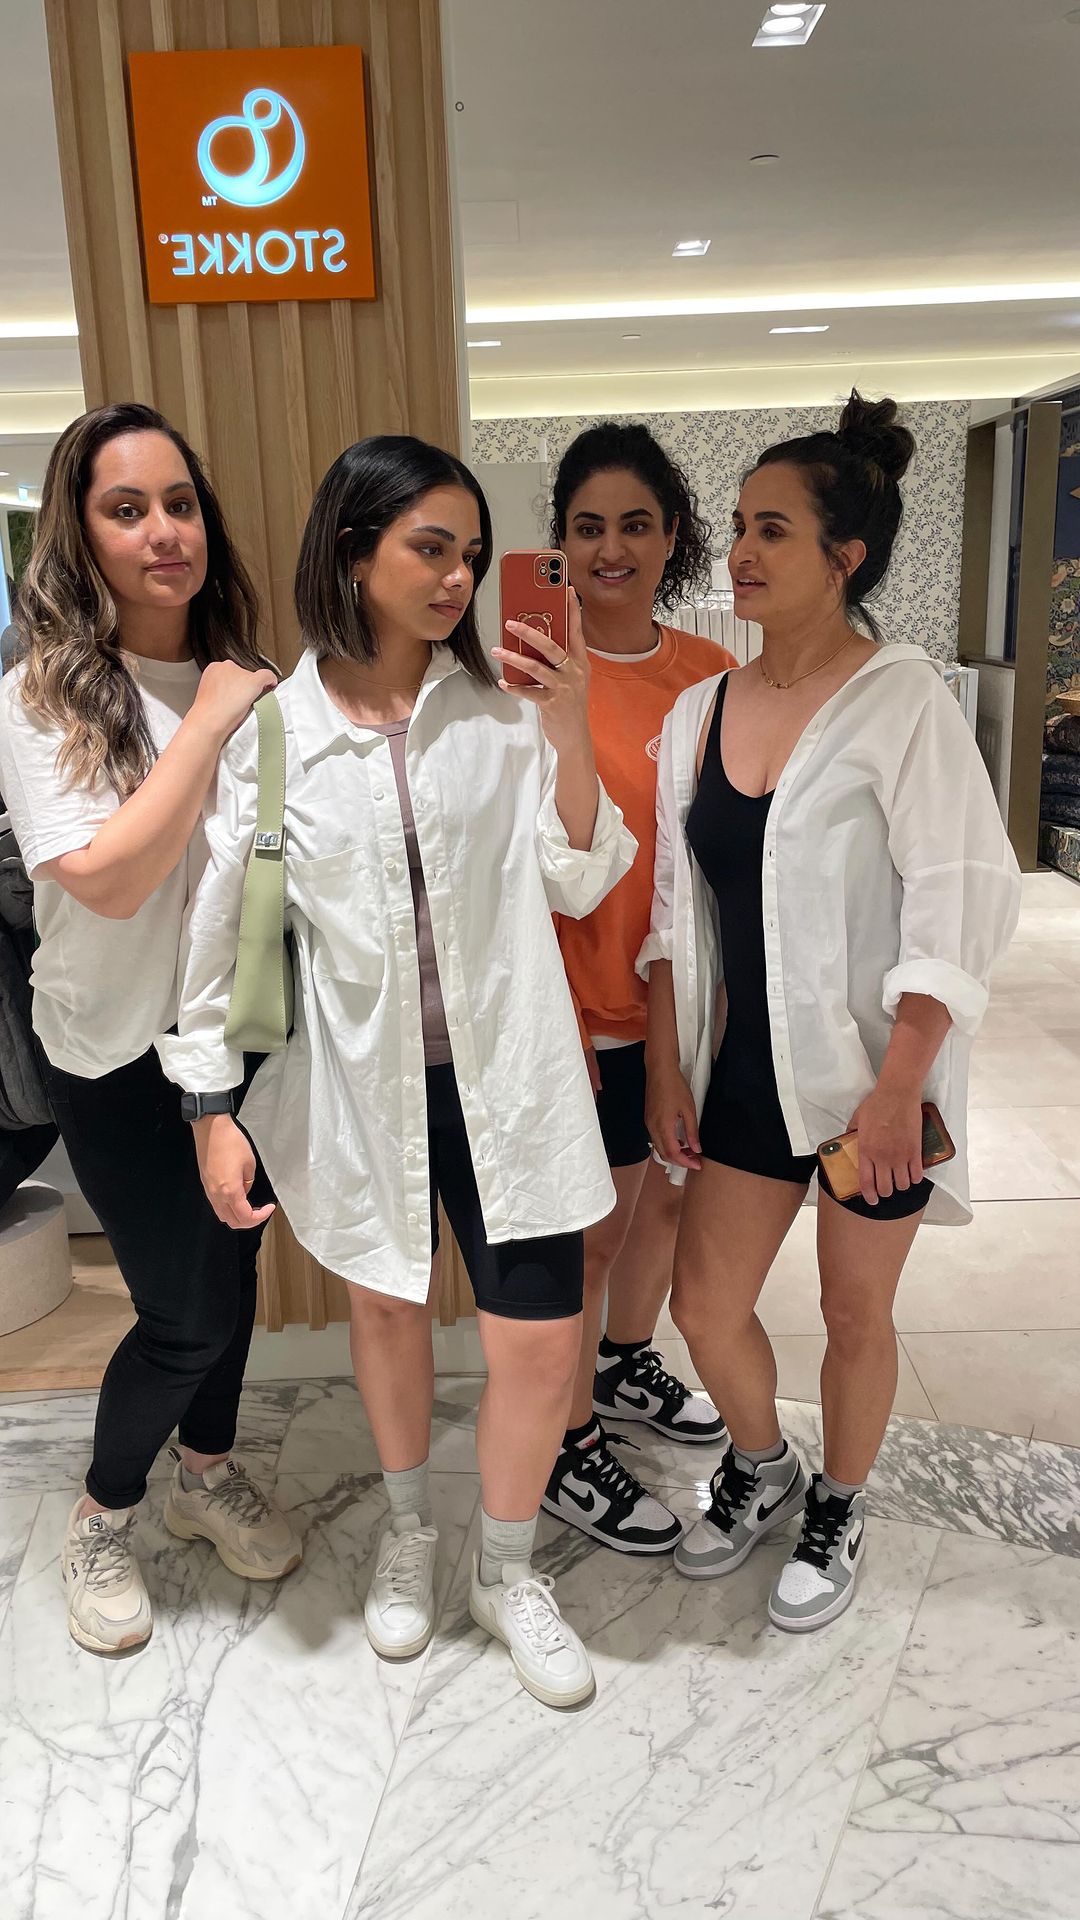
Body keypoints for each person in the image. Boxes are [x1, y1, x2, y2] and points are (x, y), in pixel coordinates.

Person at [159, 435, 636, 1708]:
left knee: (539, 1340)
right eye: (432, 548)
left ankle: (507, 1566)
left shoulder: (500, 712)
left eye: (470, 554)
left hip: (510, 1083)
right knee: (384, 1311)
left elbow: (580, 874)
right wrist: (211, 1110)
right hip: (357, 1088)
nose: (458, 577)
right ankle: (411, 1530)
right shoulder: (275, 733)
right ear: (353, 549)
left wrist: (571, 729)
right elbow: (220, 935)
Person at [642, 392, 1021, 1632]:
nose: (741, 552)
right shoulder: (699, 713)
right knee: (705, 1306)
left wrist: (903, 1084)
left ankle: (840, 1504)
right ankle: (764, 1467)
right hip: (748, 1064)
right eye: (741, 526)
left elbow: (961, 895)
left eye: (774, 530)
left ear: (843, 556)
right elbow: (673, 907)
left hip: (875, 1079)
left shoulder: (902, 701)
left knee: (856, 1311)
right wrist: (669, 1065)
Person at [0, 403, 302, 1657]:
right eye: (126, 510)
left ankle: (205, 1474)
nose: (163, 531)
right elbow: (113, 881)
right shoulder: (42, 695)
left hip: (238, 1036)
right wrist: (213, 720)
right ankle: (102, 1512)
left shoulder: (253, 683)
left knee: (232, 1281)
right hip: (113, 1048)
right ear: (81, 534)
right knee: (183, 1313)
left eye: (179, 503)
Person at [542, 423, 734, 1558]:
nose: (610, 549)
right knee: (588, 1237)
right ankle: (566, 1441)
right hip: (574, 1006)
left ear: (672, 539)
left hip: (684, 1001)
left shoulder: (711, 677)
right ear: (559, 544)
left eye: (635, 525)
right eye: (587, 527)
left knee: (664, 1202)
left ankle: (622, 1365)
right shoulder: (525, 677)